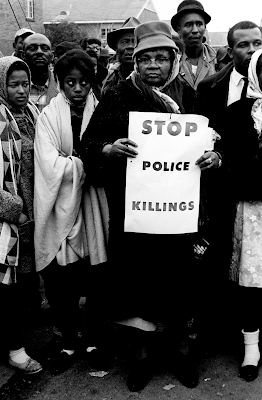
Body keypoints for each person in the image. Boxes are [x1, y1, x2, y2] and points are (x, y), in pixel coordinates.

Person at [81, 20, 221, 392]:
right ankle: (141, 359)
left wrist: (214, 157)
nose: (153, 65)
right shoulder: (119, 98)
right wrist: (109, 149)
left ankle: (181, 355)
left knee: (180, 284)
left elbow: (213, 137)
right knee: (136, 286)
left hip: (179, 217)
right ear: (135, 62)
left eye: (162, 57)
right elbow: (89, 144)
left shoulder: (188, 98)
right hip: (136, 216)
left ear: (174, 60)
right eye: (146, 59)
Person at [33, 49, 108, 375]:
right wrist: (83, 163)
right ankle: (67, 342)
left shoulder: (102, 111)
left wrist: (87, 160)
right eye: (70, 83)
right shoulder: (48, 116)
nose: (77, 89)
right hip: (62, 209)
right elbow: (48, 164)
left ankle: (92, 341)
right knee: (62, 285)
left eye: (83, 82)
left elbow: (110, 153)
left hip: (93, 207)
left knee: (95, 280)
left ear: (91, 82)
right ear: (60, 83)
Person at [214, 48, 262, 382]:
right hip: (254, 207)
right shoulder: (237, 113)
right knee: (251, 282)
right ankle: (251, 346)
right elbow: (225, 158)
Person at [0, 55, 42, 374]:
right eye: (13, 84)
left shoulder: (31, 113)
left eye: (25, 83)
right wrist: (16, 211)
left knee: (24, 285)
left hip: (30, 218)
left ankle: (21, 340)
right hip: (8, 223)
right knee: (7, 288)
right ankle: (14, 349)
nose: (21, 90)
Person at [198, 21, 262, 128]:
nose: (252, 50)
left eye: (257, 43)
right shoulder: (207, 87)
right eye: (243, 45)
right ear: (230, 52)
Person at [171, 0, 216, 91]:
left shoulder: (216, 59)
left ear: (205, 27)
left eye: (199, 24)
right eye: (188, 25)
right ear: (178, 30)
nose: (195, 30)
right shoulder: (171, 60)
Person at [102, 16, 140, 94]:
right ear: (116, 48)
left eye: (135, 42)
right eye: (124, 42)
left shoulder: (152, 77)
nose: (130, 46)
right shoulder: (111, 78)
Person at [21, 33, 59, 112]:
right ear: (23, 55)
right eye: (32, 48)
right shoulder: (13, 87)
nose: (39, 52)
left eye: (44, 48)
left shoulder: (61, 85)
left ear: (51, 56)